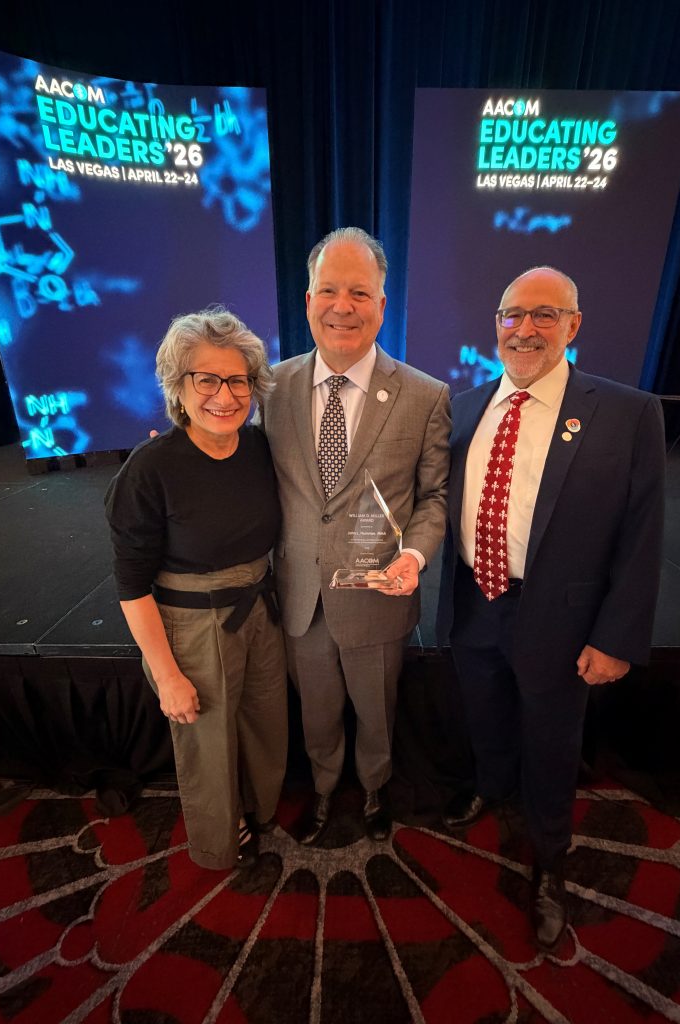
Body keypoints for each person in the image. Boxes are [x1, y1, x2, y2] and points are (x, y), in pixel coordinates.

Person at [436, 267, 665, 951]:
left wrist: (617, 635)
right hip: (476, 603)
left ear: (574, 325)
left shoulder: (625, 412)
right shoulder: (465, 406)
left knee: (553, 744)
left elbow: (643, 530)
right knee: (486, 714)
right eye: (513, 314)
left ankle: (550, 858)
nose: (526, 328)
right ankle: (491, 787)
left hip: (562, 621)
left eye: (545, 314)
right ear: (496, 325)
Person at [257, 227, 450, 844]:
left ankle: (373, 790)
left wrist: (416, 554)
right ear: (308, 299)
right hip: (300, 595)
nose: (344, 306)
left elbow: (435, 497)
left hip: (377, 595)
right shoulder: (271, 388)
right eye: (329, 291)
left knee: (376, 712)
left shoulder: (425, 396)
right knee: (316, 714)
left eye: (360, 293)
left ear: (382, 305)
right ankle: (320, 789)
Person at [105, 307, 287, 870]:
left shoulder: (258, 447)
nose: (224, 396)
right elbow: (132, 586)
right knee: (206, 742)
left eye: (237, 380)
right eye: (206, 379)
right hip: (190, 621)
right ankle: (216, 840)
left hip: (260, 606)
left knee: (265, 721)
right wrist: (166, 677)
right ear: (177, 388)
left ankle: (261, 810)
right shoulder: (149, 470)